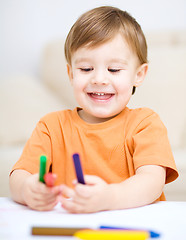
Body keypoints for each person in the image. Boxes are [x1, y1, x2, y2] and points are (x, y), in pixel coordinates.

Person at [9, 6, 178, 213]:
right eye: (86, 69)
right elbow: (20, 175)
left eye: (114, 69)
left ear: (139, 75)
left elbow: (152, 182)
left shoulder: (146, 124)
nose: (98, 79)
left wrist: (110, 198)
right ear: (71, 73)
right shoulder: (51, 127)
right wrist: (28, 189)